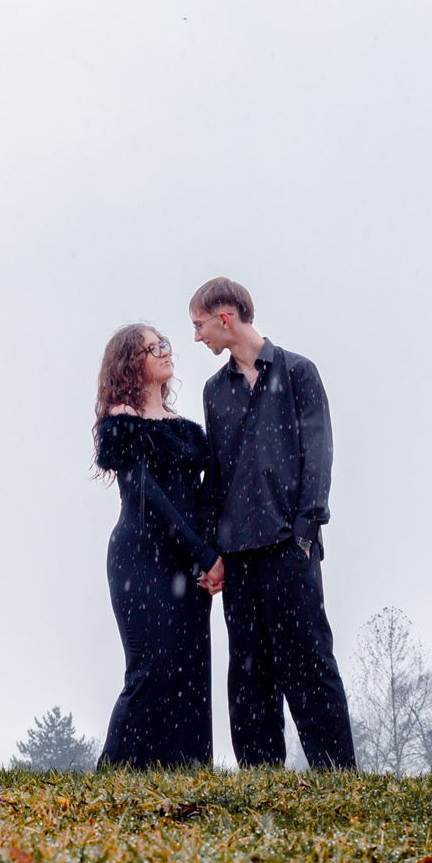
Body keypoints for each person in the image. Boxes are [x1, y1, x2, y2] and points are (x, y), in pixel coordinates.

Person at [190, 277, 356, 770]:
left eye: (199, 325)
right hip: (239, 555)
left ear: (225, 318)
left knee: (309, 664)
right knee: (249, 675)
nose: (197, 337)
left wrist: (305, 533)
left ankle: (339, 778)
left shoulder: (299, 372)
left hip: (290, 547)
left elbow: (318, 458)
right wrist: (212, 549)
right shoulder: (214, 391)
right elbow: (216, 474)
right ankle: (262, 779)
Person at [92, 323, 220, 768]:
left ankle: (188, 776)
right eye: (153, 347)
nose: (166, 352)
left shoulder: (186, 429)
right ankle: (114, 776)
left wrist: (209, 553)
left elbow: (204, 497)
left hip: (190, 565)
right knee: (152, 668)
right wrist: (203, 553)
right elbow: (147, 496)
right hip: (140, 560)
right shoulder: (120, 420)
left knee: (190, 672)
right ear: (131, 362)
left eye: (165, 344)